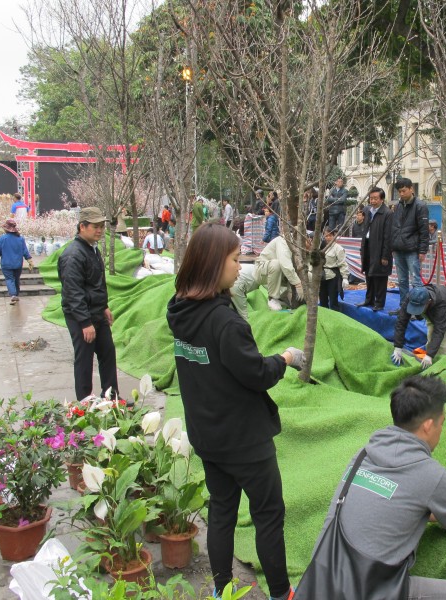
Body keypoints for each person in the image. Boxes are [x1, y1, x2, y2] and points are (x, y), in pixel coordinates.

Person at [166, 222, 303, 600]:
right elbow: (256, 374)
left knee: (222, 513)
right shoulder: (225, 323)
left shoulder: (179, 310)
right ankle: (280, 593)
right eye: (233, 258)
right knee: (268, 517)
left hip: (208, 436)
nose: (239, 266)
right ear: (213, 265)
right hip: (244, 441)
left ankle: (222, 590)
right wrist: (286, 357)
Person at [308, 375, 446, 600]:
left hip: (321, 579)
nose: (442, 430)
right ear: (428, 425)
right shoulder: (432, 476)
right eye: (442, 423)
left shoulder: (363, 454)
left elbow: (398, 499)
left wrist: (442, 515)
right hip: (370, 591)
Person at [57, 207, 119, 401]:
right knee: (84, 359)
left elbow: (97, 283)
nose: (100, 231)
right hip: (81, 316)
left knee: (107, 353)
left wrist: (104, 306)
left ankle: (111, 396)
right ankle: (84, 402)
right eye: (95, 227)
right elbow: (73, 292)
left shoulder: (92, 249)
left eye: (102, 226)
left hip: (97, 312)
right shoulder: (73, 255)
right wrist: (85, 322)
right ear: (82, 227)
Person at [391, 284, 446, 370]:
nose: (415, 312)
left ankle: (445, 367)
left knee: (442, 345)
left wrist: (429, 355)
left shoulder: (441, 304)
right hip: (432, 309)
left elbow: (439, 330)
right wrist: (398, 347)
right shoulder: (412, 296)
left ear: (428, 301)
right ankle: (429, 353)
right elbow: (401, 321)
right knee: (430, 336)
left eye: (419, 308)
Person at [391, 177, 429, 313]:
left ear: (411, 189)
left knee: (416, 281)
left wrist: (422, 250)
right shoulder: (398, 205)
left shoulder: (420, 206)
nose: (401, 194)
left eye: (404, 191)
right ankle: (404, 308)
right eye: (399, 192)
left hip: (412, 249)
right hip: (398, 248)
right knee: (402, 281)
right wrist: (393, 246)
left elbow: (424, 230)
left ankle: (418, 310)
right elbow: (394, 227)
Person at [358, 187, 393, 311]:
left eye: (375, 198)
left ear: (382, 199)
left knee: (380, 277)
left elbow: (388, 236)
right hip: (368, 246)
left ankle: (379, 303)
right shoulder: (367, 211)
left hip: (380, 248)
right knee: (369, 274)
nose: (372, 201)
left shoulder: (387, 213)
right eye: (371, 198)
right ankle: (369, 300)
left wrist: (385, 255)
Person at [255, 235, 304, 311]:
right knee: (277, 264)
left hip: (280, 274)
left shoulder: (303, 246)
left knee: (300, 274)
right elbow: (285, 264)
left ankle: (283, 298)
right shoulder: (284, 240)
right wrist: (298, 284)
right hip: (263, 272)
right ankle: (272, 298)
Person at [0, 219, 34, 305]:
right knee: (16, 279)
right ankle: (16, 294)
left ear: (6, 229)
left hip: (6, 264)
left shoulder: (2, 238)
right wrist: (29, 260)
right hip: (18, 264)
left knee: (9, 279)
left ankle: (13, 295)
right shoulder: (20, 239)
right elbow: (25, 251)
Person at [318, 228, 349, 311]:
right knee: (322, 299)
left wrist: (345, 277)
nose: (328, 238)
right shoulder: (321, 246)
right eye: (326, 236)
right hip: (322, 276)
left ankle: (335, 318)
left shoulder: (338, 248)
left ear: (334, 236)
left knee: (333, 300)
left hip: (333, 276)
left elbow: (342, 264)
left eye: (330, 236)